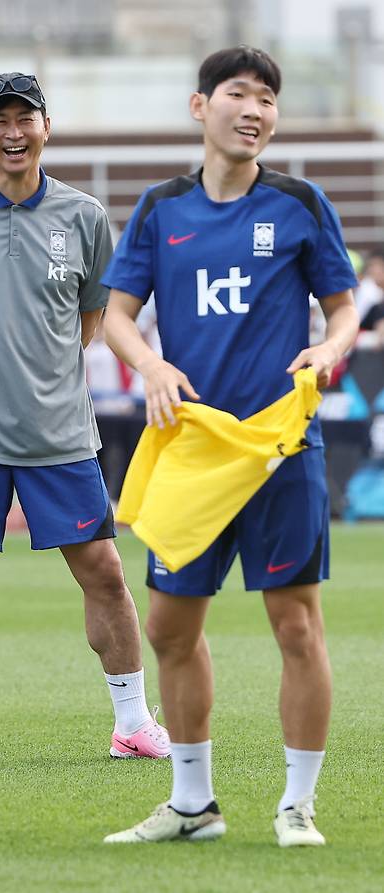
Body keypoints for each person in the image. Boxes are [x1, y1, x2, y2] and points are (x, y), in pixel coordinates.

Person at [101, 46, 359, 847]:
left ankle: (297, 805)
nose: (254, 111)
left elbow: (344, 308)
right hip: (190, 449)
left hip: (279, 449)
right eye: (239, 95)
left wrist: (330, 347)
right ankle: (191, 805)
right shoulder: (159, 209)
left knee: (297, 626)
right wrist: (148, 362)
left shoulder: (300, 202)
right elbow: (115, 314)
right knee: (170, 630)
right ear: (199, 105)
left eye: (268, 101)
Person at [0, 72, 170, 766]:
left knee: (105, 573)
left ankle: (131, 722)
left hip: (61, 434)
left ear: (45, 126)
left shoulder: (85, 215)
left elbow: (93, 322)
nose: (12, 133)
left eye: (24, 119)